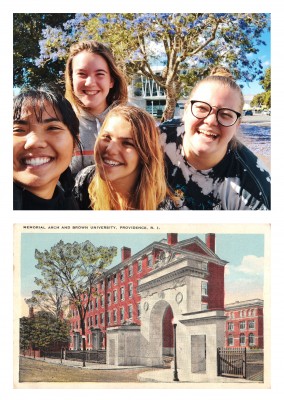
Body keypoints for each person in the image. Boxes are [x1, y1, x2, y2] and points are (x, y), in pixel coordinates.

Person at [160, 66, 271, 210]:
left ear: (237, 124)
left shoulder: (255, 191)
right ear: (186, 111)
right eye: (202, 108)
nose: (211, 121)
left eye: (225, 114)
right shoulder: (155, 139)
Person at [73, 105, 184, 210]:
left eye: (127, 143)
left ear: (145, 154)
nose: (110, 149)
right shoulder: (84, 181)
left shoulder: (163, 209)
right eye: (107, 137)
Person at [65, 40, 128, 175]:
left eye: (100, 74)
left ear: (111, 81)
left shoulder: (132, 123)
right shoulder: (60, 124)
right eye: (82, 74)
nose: (90, 82)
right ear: (71, 79)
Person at [13, 85, 81, 210]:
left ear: (75, 144)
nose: (34, 142)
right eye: (18, 130)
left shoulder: (70, 205)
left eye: (52, 128)